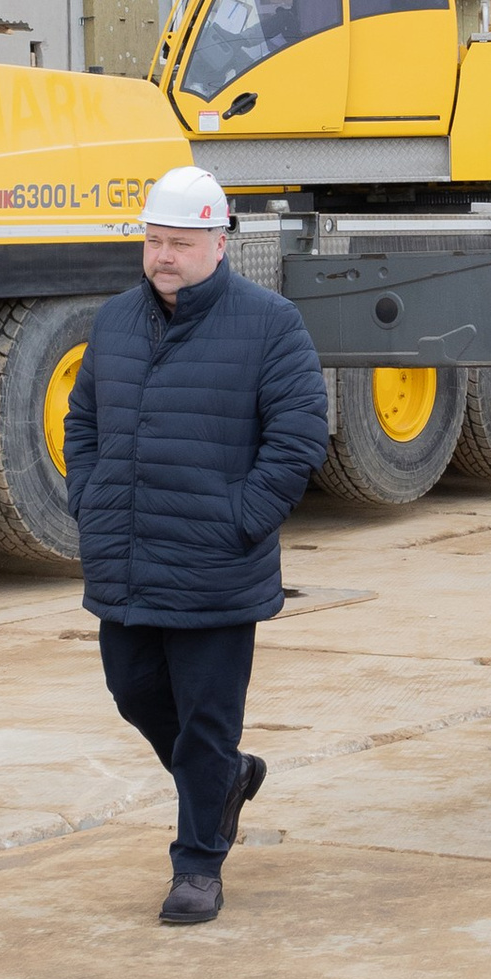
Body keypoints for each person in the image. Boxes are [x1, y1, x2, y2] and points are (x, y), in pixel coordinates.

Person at [63, 163, 329, 926]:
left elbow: (298, 439)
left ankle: (197, 865)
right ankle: (227, 780)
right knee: (133, 690)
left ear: (219, 242)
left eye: (179, 243)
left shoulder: (270, 322)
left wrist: (240, 520)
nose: (163, 257)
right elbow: (83, 423)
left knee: (208, 719)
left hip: (217, 565)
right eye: (153, 242)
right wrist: (89, 498)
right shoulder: (114, 321)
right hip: (128, 554)